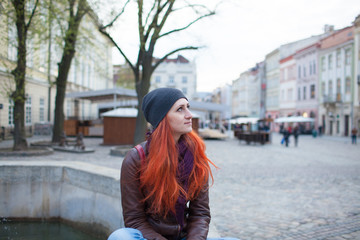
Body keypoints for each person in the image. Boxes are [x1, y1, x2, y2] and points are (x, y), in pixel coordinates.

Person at [107, 88, 239, 240]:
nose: (189, 115)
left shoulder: (196, 156)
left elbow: (200, 213)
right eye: (180, 109)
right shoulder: (136, 158)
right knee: (120, 237)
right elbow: (135, 220)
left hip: (184, 237)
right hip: (149, 237)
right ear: (162, 118)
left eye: (187, 107)